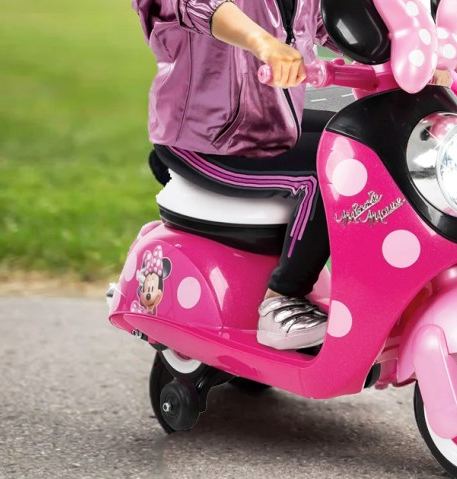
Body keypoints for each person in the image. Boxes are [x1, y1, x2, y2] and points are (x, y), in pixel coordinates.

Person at [132, 0, 339, 350]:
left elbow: (331, 25)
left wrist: (408, 51)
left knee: (364, 141)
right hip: (203, 138)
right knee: (327, 176)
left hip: (271, 124)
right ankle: (282, 300)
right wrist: (263, 43)